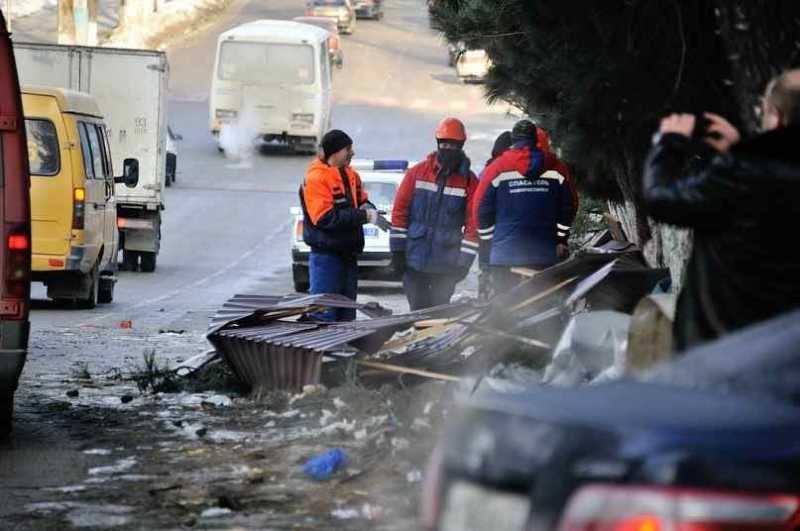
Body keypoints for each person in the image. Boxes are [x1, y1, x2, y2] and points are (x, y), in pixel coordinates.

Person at [643, 69, 800, 351]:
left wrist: (668, 143)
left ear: (775, 116)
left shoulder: (739, 178)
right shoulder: (749, 175)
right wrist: (740, 152)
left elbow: (659, 198)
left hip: (731, 350)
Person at [474, 119, 575, 294]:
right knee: (541, 307)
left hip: (504, 256)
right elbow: (569, 206)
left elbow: (481, 208)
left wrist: (488, 241)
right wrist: (561, 238)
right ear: (536, 140)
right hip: (544, 255)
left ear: (513, 141)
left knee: (504, 311)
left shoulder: (497, 168)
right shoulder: (557, 168)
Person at [390, 117, 479, 310]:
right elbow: (399, 213)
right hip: (414, 262)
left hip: (446, 266)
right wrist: (397, 251)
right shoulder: (417, 173)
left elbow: (473, 226)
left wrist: (463, 264)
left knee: (438, 315)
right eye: (444, 143)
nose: (447, 148)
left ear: (461, 145)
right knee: (418, 314)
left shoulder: (469, 182)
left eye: (452, 145)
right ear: (437, 143)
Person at [299, 129, 381, 321]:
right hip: (326, 257)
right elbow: (324, 218)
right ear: (335, 152)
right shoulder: (316, 178)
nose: (352, 153)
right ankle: (324, 350)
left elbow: (360, 200)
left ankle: (345, 349)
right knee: (324, 312)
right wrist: (364, 215)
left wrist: (368, 208)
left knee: (346, 312)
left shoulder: (351, 175)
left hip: (347, 254)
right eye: (348, 149)